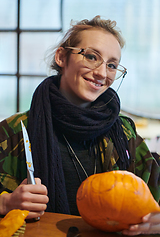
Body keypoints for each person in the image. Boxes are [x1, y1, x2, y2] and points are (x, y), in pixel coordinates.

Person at [0, 15, 160, 235]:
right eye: (92, 57)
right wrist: (6, 204)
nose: (102, 73)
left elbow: (155, 192)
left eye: (112, 65)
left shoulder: (124, 133)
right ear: (61, 57)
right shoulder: (15, 132)